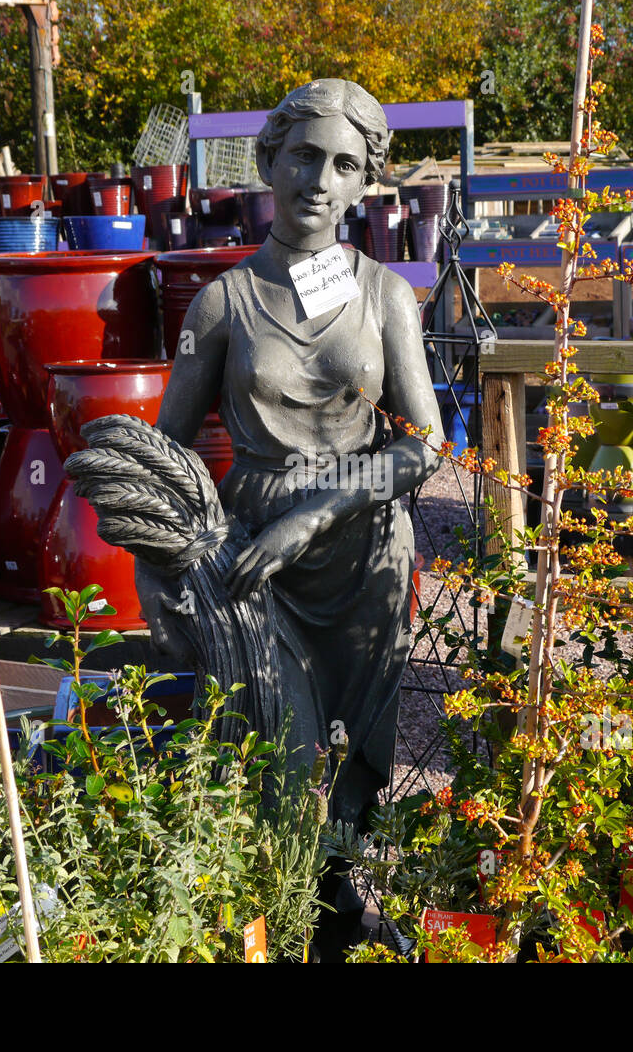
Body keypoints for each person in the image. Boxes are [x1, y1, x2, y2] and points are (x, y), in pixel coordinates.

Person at [141, 78, 442, 839]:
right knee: (275, 773)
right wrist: (157, 577)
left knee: (355, 788)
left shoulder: (386, 296)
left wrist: (314, 515)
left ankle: (339, 931)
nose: (320, 181)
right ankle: (276, 931)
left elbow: (424, 443)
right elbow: (163, 457)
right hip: (254, 565)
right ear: (269, 161)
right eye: (304, 156)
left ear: (364, 180)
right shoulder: (222, 302)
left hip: (364, 559)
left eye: (345, 164)